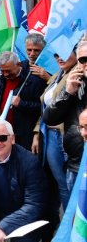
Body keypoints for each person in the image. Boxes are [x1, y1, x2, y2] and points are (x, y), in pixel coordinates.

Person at [32, 50, 77, 210]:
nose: (60, 57)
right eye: (57, 54)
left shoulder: (76, 75)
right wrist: (37, 133)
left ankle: (71, 227)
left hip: (66, 135)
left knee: (69, 184)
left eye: (65, 53)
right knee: (60, 183)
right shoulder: (58, 74)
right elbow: (46, 108)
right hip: (49, 134)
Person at [43, 41, 87, 193]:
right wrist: (67, 92)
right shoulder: (75, 84)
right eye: (83, 60)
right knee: (75, 214)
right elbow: (50, 118)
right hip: (77, 164)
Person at [0, 52, 46, 150]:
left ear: (18, 65)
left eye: (8, 71)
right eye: (2, 71)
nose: (6, 74)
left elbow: (43, 107)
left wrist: (22, 104)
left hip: (24, 134)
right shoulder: (1, 80)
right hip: (4, 132)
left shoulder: (33, 81)